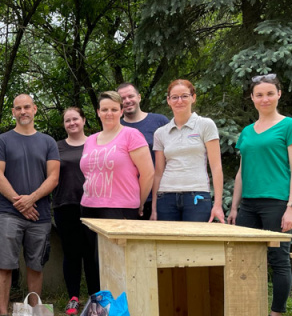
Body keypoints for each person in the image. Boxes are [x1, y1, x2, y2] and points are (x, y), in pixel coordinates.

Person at [228, 74, 292, 316]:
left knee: (278, 259)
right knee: (244, 259)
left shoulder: (290, 126)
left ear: (279, 94)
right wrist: (235, 207)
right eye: (259, 94)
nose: (265, 99)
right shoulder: (247, 132)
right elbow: (242, 171)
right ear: (252, 98)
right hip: (248, 205)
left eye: (269, 93)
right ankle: (247, 309)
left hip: (277, 202)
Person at [0, 94, 60, 316]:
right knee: (5, 264)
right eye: (18, 108)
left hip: (39, 215)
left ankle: (35, 315)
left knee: (36, 265)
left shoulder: (48, 142)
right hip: (8, 213)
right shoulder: (2, 140)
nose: (23, 111)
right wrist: (20, 202)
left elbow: (53, 177)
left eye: (27, 107)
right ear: (13, 112)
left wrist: (32, 199)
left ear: (35, 109)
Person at [81, 91, 154, 271]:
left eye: (114, 109)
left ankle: (117, 300)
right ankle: (96, 298)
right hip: (89, 206)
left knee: (115, 263)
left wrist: (140, 202)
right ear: (98, 112)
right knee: (92, 261)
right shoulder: (90, 140)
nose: (109, 113)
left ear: (121, 111)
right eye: (105, 109)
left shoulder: (131, 135)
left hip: (120, 208)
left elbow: (148, 173)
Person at [151, 80, 225, 223]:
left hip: (197, 195)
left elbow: (216, 167)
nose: (180, 101)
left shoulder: (205, 125)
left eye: (184, 96)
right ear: (168, 100)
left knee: (196, 244)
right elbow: (158, 173)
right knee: (168, 244)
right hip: (166, 197)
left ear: (193, 97)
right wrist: (154, 208)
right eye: (175, 97)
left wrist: (218, 205)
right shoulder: (160, 133)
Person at [51, 107, 99, 316]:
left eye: (75, 119)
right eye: (67, 120)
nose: (72, 123)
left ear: (83, 120)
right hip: (65, 204)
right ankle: (73, 298)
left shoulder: (96, 142)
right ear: (64, 124)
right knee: (71, 254)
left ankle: (95, 298)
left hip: (93, 205)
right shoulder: (57, 147)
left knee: (91, 254)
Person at [118, 83, 169, 219]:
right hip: (127, 199)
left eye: (131, 96)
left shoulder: (160, 121)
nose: (127, 101)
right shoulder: (116, 128)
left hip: (160, 196)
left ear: (139, 97)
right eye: (122, 98)